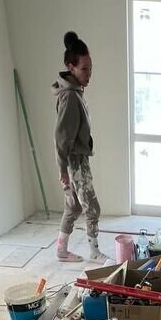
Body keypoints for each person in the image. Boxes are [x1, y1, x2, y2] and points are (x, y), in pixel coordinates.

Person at [52, 31, 107, 263]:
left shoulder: (75, 92)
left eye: (90, 69)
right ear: (70, 67)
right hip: (74, 161)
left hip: (76, 158)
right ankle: (94, 252)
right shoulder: (70, 97)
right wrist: (63, 171)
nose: (89, 74)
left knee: (73, 206)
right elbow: (61, 137)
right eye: (84, 69)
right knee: (92, 208)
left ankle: (61, 250)